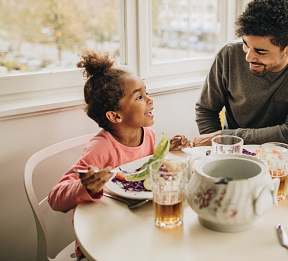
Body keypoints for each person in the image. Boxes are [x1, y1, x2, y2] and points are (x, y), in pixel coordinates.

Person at [48, 50, 190, 260]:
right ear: (115, 115)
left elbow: (149, 168)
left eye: (146, 92)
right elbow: (55, 198)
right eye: (140, 97)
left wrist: (169, 148)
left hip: (137, 228)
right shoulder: (101, 148)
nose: (150, 100)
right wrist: (86, 185)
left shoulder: (148, 135)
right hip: (104, 241)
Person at [194, 0, 288, 148]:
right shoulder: (228, 54)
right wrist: (221, 147)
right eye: (245, 44)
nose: (249, 57)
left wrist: (227, 137)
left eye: (260, 51)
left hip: (282, 159)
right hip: (233, 152)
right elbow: (206, 110)